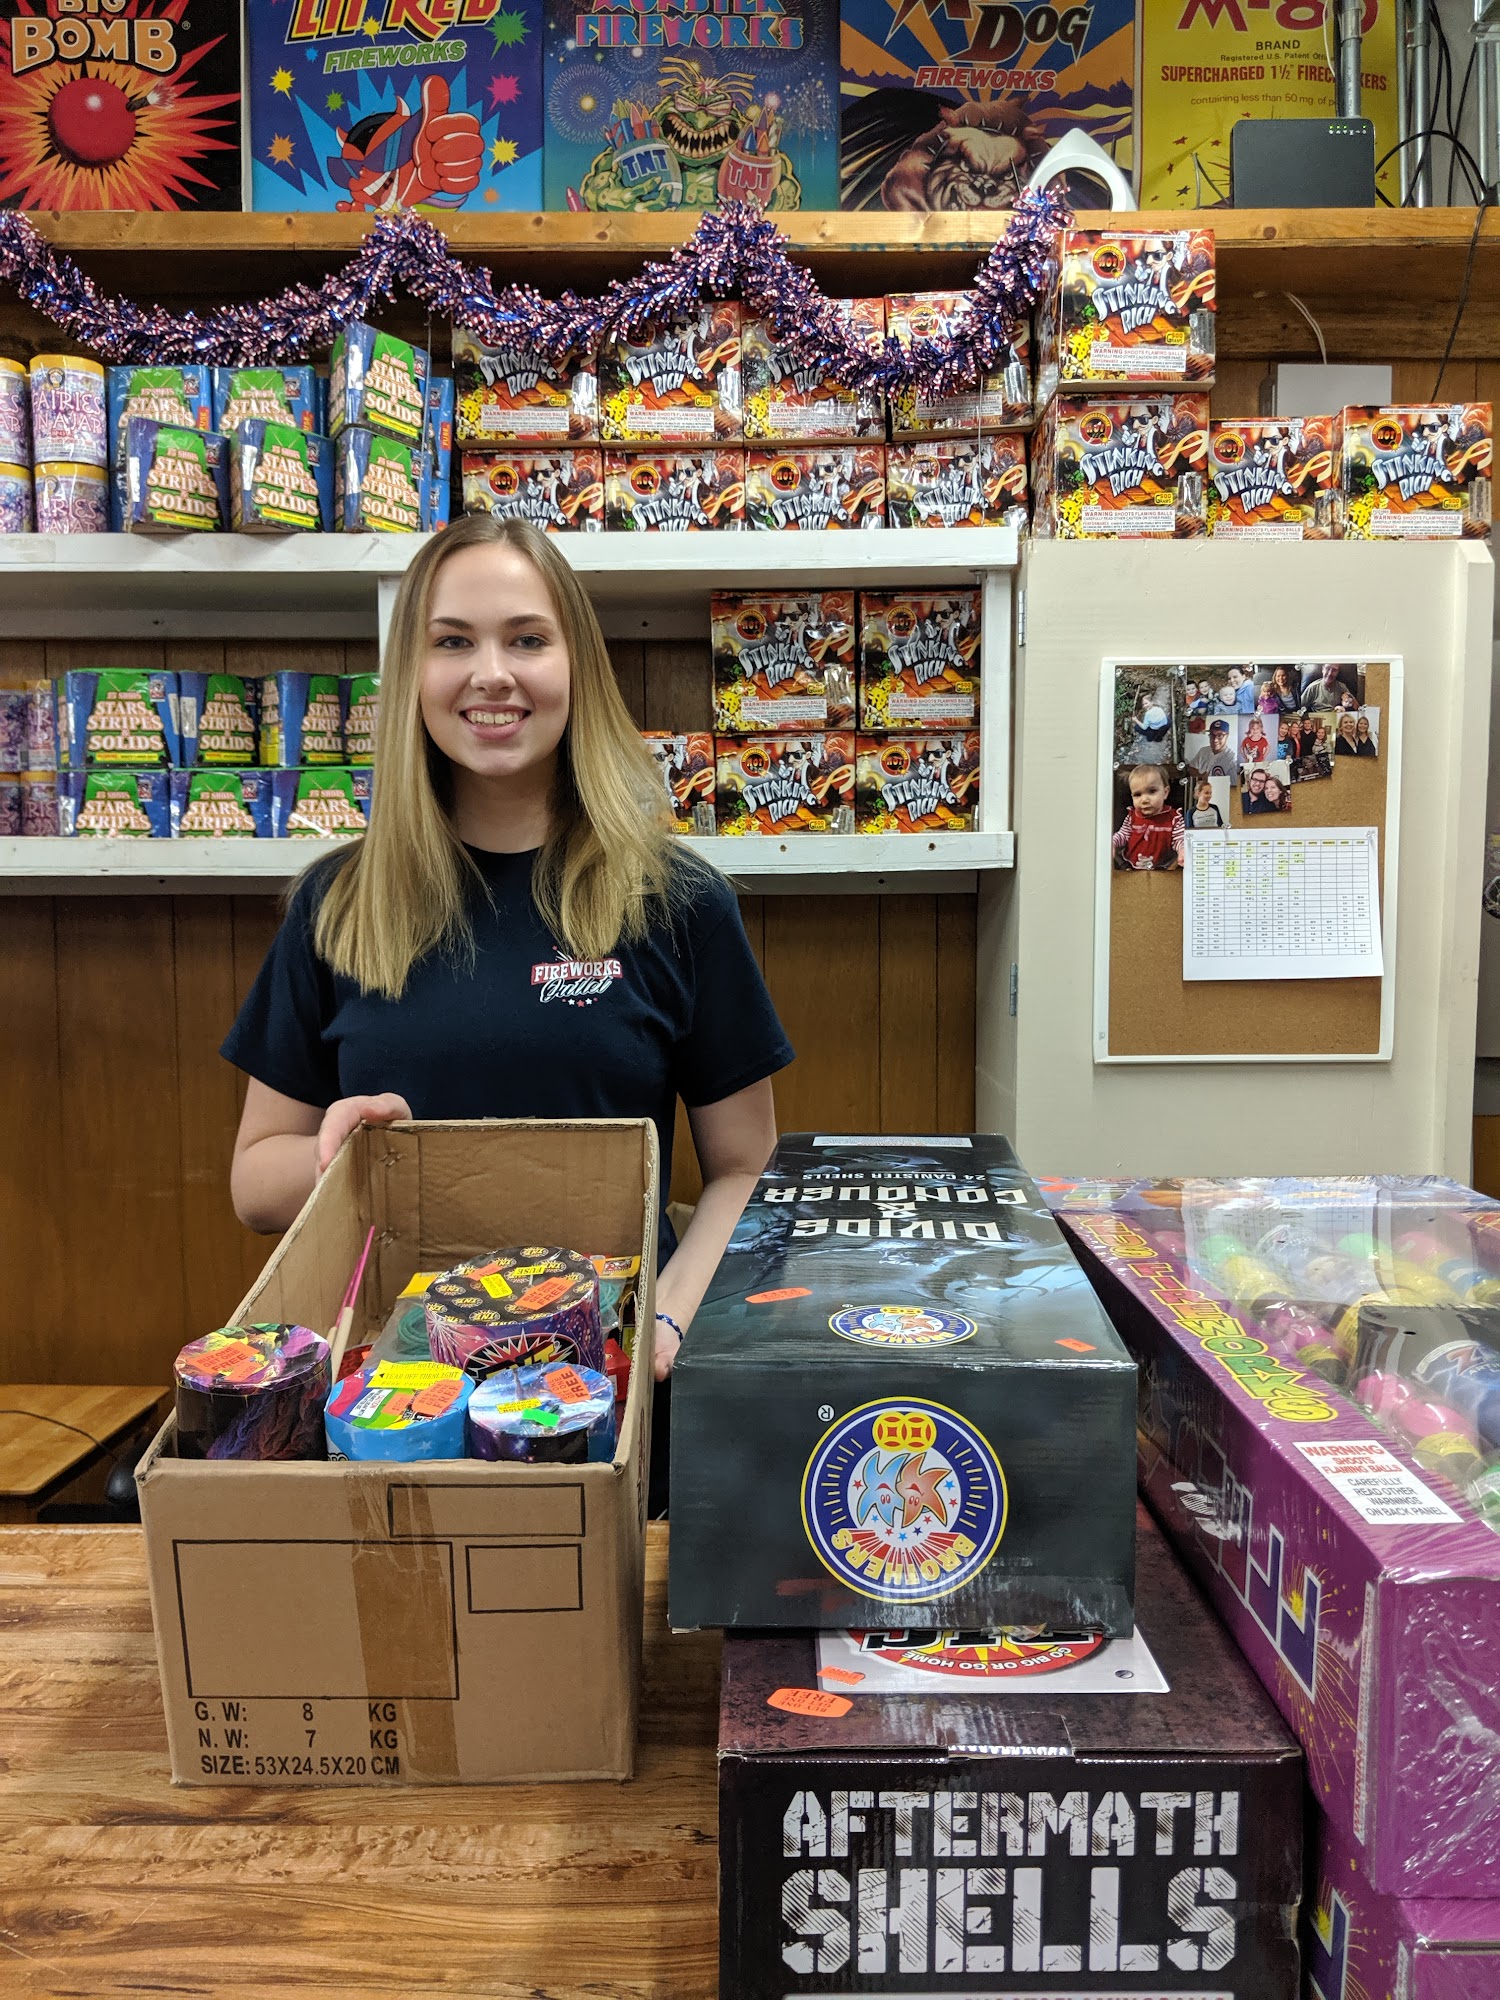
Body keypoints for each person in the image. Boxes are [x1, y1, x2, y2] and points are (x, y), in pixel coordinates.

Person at [220, 514, 793, 1514]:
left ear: (577, 666)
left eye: (527, 638)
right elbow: (255, 1182)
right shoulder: (338, 904)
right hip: (397, 1411)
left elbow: (746, 1166)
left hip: (610, 1406)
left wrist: (671, 1313)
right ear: (414, 674)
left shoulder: (678, 901)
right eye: (453, 641)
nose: (492, 674)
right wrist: (332, 1154)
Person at [1113, 763, 1185, 870]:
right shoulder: (1132, 816)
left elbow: (1180, 839)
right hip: (1131, 868)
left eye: (1152, 791)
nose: (1144, 800)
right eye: (1138, 794)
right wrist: (1112, 843)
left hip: (1163, 870)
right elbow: (1123, 835)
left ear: (1165, 793)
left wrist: (1183, 850)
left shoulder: (1174, 818)